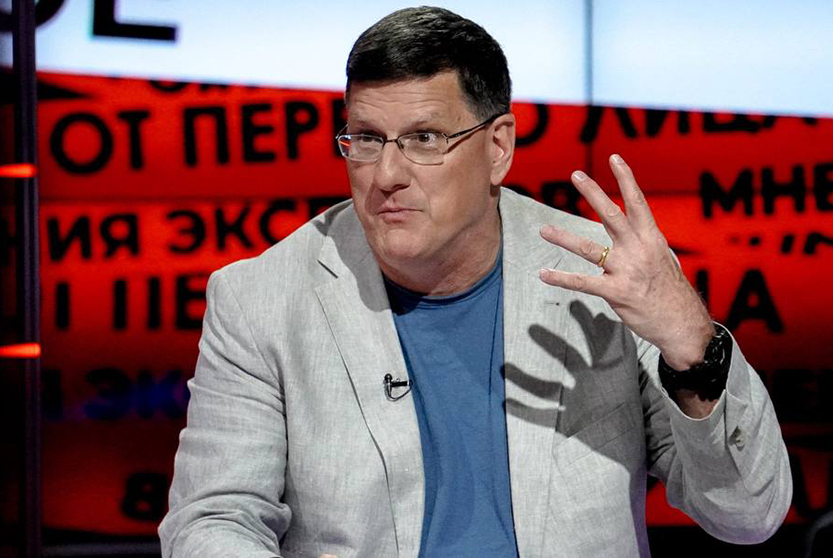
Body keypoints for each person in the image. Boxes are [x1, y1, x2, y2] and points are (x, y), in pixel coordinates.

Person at [159, 7, 792, 557]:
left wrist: (692, 345)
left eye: (424, 138)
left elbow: (748, 514)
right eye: (367, 139)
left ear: (498, 148)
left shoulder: (609, 279)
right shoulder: (260, 300)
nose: (386, 175)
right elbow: (211, 521)